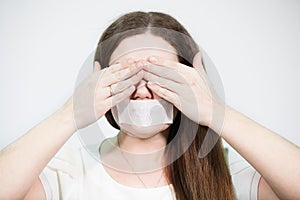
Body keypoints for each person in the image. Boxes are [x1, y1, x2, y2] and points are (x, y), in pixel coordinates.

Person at [0, 11, 299, 200]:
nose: (143, 91)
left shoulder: (232, 173)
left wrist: (215, 113)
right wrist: (71, 115)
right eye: (127, 73)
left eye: (160, 75)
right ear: (99, 80)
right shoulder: (65, 172)